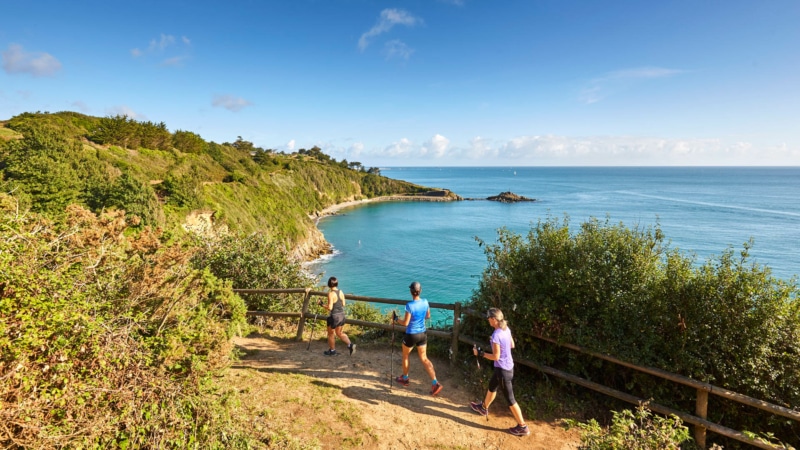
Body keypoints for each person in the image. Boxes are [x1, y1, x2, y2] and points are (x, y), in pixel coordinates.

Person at [469, 307, 530, 437]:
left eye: (489, 318)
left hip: (503, 370)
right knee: (492, 387)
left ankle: (522, 426)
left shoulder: (496, 335)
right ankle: (483, 407)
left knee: (510, 399)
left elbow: (496, 357)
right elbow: (512, 345)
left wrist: (481, 353)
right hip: (507, 367)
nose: (488, 320)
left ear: (494, 319)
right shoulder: (506, 329)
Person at [392, 281, 443, 396]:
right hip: (422, 334)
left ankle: (405, 378)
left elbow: (405, 323)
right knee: (424, 358)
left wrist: (396, 319)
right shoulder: (425, 302)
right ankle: (435, 382)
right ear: (420, 291)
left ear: (411, 292)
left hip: (411, 334)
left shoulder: (409, 305)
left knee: (405, 355)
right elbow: (428, 316)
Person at [322, 276, 355, 356]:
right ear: (337, 283)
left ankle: (332, 351)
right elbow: (343, 304)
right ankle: (350, 345)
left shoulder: (330, 294)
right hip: (341, 315)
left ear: (329, 284)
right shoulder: (341, 292)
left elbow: (330, 307)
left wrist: (322, 305)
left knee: (331, 334)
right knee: (339, 333)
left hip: (334, 316)